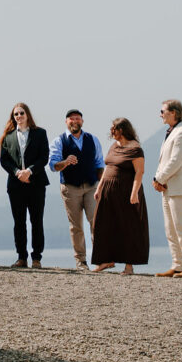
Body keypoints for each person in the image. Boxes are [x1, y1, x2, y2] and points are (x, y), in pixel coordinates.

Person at [91, 117, 149, 275]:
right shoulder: (113, 146)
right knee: (102, 225)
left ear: (122, 130)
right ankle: (106, 260)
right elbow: (107, 167)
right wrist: (99, 188)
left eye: (114, 128)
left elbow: (139, 172)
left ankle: (129, 266)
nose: (111, 131)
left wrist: (134, 192)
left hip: (126, 191)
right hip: (108, 191)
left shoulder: (136, 148)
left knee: (128, 227)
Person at [48, 109, 104, 271]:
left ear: (82, 121)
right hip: (70, 188)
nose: (75, 121)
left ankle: (100, 259)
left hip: (92, 186)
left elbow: (99, 164)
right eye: (71, 119)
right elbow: (53, 165)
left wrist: (102, 184)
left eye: (77, 119)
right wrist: (65, 162)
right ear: (66, 122)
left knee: (96, 222)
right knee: (76, 226)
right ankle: (81, 261)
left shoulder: (92, 139)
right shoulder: (59, 141)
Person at [0, 102, 50, 269]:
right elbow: (4, 160)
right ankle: (21, 257)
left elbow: (44, 157)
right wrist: (17, 172)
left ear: (27, 114)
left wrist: (29, 171)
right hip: (15, 185)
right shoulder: (8, 136)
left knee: (37, 221)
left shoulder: (40, 133)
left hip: (36, 183)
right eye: (16, 114)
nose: (19, 116)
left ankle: (37, 258)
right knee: (19, 222)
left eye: (21, 113)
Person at [152, 98, 182, 278]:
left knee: (181, 227)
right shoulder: (171, 133)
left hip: (179, 187)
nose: (160, 114)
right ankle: (178, 265)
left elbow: (175, 161)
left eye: (163, 111)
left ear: (173, 113)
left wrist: (159, 178)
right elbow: (165, 160)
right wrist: (159, 180)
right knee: (170, 228)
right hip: (167, 188)